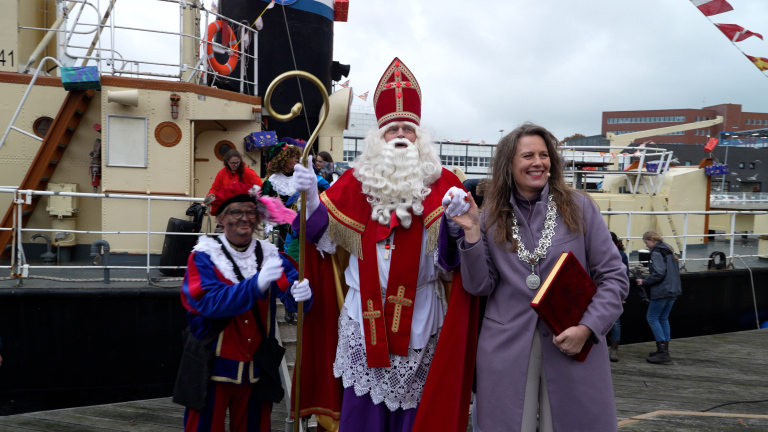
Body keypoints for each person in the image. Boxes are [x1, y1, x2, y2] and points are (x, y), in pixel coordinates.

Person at [290, 57, 477, 432]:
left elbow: (451, 266)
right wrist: (310, 196)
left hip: (422, 314)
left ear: (420, 137)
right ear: (379, 138)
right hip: (364, 315)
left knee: (417, 413)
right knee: (364, 413)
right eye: (393, 130)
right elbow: (319, 239)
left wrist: (459, 225)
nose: (401, 135)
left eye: (409, 128)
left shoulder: (444, 185)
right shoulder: (355, 183)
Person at [448, 123, 628, 432]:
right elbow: (480, 285)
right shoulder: (489, 214)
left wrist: (587, 328)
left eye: (544, 155)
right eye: (528, 155)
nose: (538, 162)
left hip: (572, 341)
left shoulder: (579, 207)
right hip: (507, 347)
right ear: (509, 163)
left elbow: (614, 278)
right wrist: (472, 232)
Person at [177, 181, 313, 432]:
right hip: (212, 368)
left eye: (250, 212)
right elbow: (208, 303)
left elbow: (293, 298)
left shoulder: (270, 254)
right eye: (236, 212)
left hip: (256, 370)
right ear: (220, 219)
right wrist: (256, 284)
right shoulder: (204, 256)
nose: (244, 218)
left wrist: (301, 295)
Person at [262, 142, 330, 260]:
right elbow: (265, 208)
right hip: (281, 231)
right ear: (282, 159)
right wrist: (267, 224)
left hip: (304, 228)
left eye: (296, 156)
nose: (296, 159)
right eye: (292, 156)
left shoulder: (302, 177)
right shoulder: (271, 182)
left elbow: (326, 191)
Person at [636, 230, 681, 364]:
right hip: (674, 289)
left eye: (646, 243)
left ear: (651, 240)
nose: (647, 246)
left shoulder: (656, 252)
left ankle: (662, 353)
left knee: (652, 317)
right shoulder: (668, 248)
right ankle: (664, 350)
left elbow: (659, 273)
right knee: (663, 318)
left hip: (662, 290)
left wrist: (644, 281)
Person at [608, 231, 629, 362]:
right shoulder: (595, 253)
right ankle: (608, 350)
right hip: (597, 290)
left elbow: (624, 276)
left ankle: (614, 349)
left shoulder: (621, 256)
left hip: (614, 291)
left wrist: (623, 294)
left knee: (615, 322)